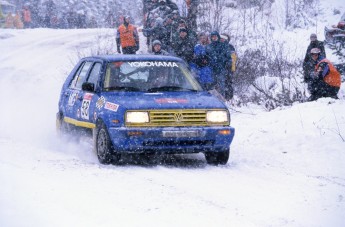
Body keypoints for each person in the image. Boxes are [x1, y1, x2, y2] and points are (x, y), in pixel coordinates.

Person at [206, 31, 231, 98]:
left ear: (218, 37)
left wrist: (227, 64)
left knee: (221, 86)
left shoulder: (223, 45)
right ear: (211, 38)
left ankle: (222, 99)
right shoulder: (208, 47)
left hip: (221, 69)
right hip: (211, 69)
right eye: (212, 37)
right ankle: (211, 99)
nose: (214, 38)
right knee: (211, 86)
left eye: (215, 36)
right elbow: (206, 57)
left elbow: (228, 57)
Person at [220, 33, 237, 100]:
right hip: (220, 68)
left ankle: (228, 98)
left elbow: (233, 58)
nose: (222, 39)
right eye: (221, 38)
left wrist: (232, 67)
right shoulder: (218, 46)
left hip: (228, 68)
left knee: (228, 82)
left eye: (223, 38)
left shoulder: (230, 47)